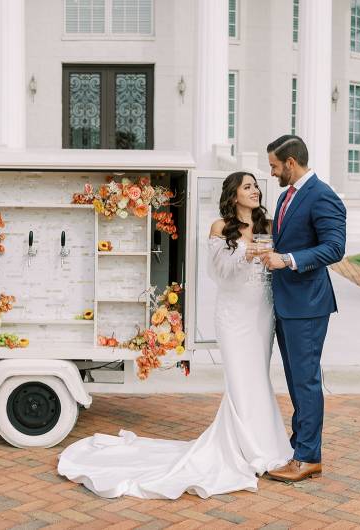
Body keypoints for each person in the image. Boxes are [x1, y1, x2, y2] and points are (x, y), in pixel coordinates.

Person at [56, 171, 293, 499]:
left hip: (262, 311)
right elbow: (219, 273)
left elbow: (275, 263)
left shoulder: (268, 225)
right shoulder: (220, 228)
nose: (255, 191)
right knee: (240, 379)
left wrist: (269, 257)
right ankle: (250, 449)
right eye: (248, 186)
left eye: (256, 187)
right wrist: (247, 252)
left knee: (258, 378)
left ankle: (263, 443)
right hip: (234, 313)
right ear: (234, 194)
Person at [260, 135, 346, 482]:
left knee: (306, 381)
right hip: (286, 303)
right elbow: (288, 239)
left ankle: (309, 457)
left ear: (291, 163)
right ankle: (300, 446)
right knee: (297, 380)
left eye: (275, 166)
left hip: (308, 305)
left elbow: (334, 248)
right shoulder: (285, 196)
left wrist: (288, 260)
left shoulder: (323, 195)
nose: (272, 172)